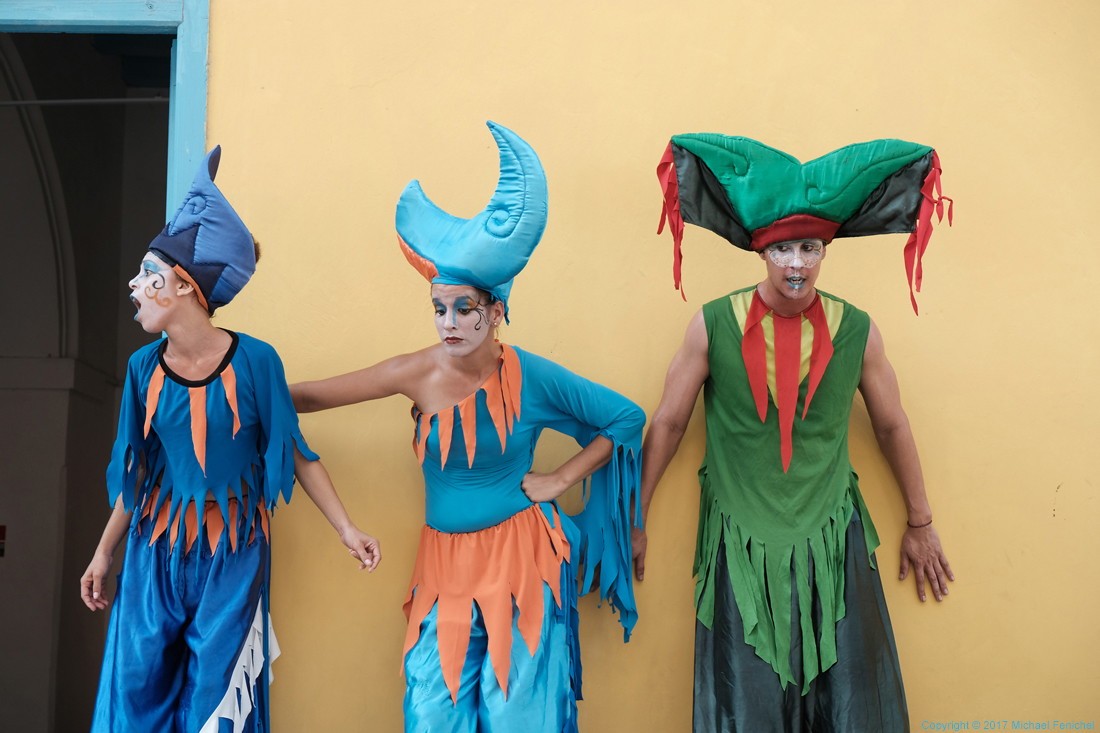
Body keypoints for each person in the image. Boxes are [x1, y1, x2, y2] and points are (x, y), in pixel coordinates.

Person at [290, 122, 643, 733]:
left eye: (464, 309)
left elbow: (625, 419)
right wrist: (238, 380)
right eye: (439, 308)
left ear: (496, 311)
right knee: (432, 714)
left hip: (525, 557)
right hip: (443, 568)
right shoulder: (416, 372)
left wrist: (562, 478)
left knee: (517, 716)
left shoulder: (532, 376)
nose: (448, 323)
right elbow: (316, 397)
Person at [639, 134, 956, 731]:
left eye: (809, 248)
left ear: (824, 251)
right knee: (749, 707)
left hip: (832, 539)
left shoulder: (858, 329)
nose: (796, 264)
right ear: (763, 252)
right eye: (783, 249)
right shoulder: (711, 326)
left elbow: (890, 423)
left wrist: (921, 521)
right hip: (741, 540)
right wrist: (637, 514)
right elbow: (670, 420)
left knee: (850, 710)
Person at [81, 147, 381, 733]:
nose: (134, 285)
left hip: (234, 553)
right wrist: (103, 552)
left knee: (215, 705)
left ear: (186, 286)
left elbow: (295, 454)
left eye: (150, 275)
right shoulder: (143, 370)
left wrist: (347, 528)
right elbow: (137, 477)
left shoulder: (257, 362)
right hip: (154, 550)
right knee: (135, 692)